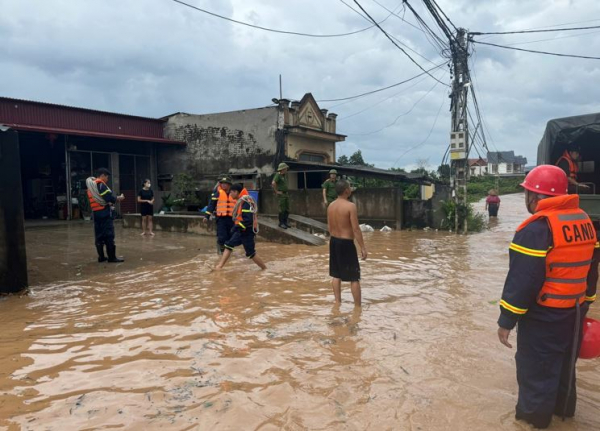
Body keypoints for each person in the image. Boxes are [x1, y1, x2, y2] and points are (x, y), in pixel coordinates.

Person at [497, 164, 597, 429]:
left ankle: (533, 422)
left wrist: (506, 320)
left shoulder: (535, 230)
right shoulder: (584, 221)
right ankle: (564, 414)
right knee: (565, 368)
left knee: (537, 373)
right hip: (575, 312)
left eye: (528, 193)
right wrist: (587, 303)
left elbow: (523, 282)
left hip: (544, 316)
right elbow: (592, 269)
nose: (526, 199)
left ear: (537, 197)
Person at [327, 179, 367, 306]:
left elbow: (329, 227)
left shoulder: (331, 206)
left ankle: (337, 303)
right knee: (354, 277)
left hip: (333, 241)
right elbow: (356, 229)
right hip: (346, 243)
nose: (351, 189)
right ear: (346, 191)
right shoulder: (350, 206)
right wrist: (363, 247)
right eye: (350, 187)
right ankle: (357, 308)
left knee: (336, 274)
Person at [216, 184, 266, 270]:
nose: (230, 194)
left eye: (231, 192)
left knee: (250, 253)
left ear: (236, 192)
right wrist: (237, 227)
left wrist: (236, 227)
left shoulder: (246, 202)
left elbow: (248, 219)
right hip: (241, 230)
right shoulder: (242, 201)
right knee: (228, 245)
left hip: (247, 231)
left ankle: (264, 269)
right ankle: (219, 267)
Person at [86, 168, 125, 263]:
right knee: (109, 235)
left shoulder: (91, 186)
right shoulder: (100, 185)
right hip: (105, 213)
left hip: (96, 214)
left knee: (99, 236)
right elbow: (109, 198)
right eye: (107, 177)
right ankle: (112, 258)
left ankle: (101, 257)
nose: (107, 179)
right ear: (102, 175)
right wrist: (118, 198)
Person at [204, 175, 235, 254]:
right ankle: (221, 252)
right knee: (222, 237)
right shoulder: (217, 193)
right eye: (222, 183)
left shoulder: (234, 193)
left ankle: (227, 253)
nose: (223, 185)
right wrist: (207, 216)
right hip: (221, 218)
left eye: (225, 183)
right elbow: (211, 205)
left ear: (229, 185)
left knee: (230, 237)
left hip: (232, 219)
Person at [272, 162, 290, 229]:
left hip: (286, 193)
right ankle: (281, 223)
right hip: (281, 194)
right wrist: (276, 191)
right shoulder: (278, 175)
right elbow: (273, 183)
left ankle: (285, 222)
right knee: (282, 209)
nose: (286, 169)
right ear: (283, 169)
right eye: (285, 168)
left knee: (287, 208)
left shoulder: (284, 175)